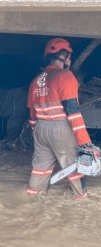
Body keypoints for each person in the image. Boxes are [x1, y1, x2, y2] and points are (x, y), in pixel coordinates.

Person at [26, 37, 99, 199]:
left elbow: (31, 113)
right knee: (76, 167)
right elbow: (72, 111)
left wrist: (36, 132)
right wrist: (85, 143)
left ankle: (31, 199)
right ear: (63, 56)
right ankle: (81, 200)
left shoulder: (36, 81)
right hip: (60, 128)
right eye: (68, 55)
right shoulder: (65, 76)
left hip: (39, 129)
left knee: (39, 170)